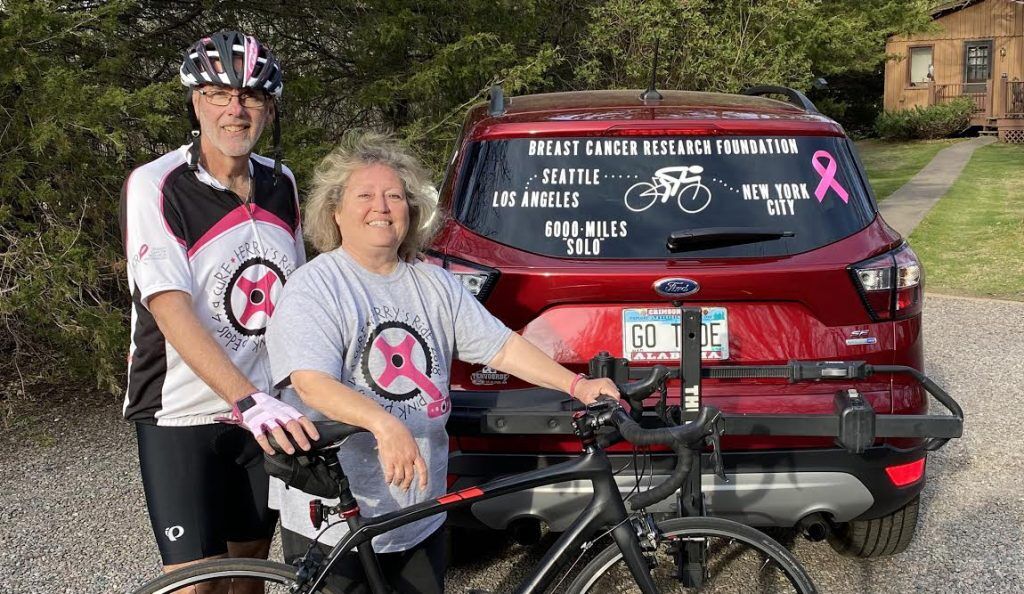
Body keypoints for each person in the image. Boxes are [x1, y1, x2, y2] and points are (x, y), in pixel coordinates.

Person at [264, 131, 619, 593]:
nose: (382, 206)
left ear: (411, 211)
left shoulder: (433, 284)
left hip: (419, 513)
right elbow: (312, 383)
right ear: (335, 211)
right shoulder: (315, 287)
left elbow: (501, 347)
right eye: (365, 195)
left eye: (394, 195)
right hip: (336, 517)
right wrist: (385, 425)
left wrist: (578, 386)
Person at [120, 31, 318, 592]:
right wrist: (245, 397)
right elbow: (168, 306)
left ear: (269, 107)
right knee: (196, 584)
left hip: (265, 411)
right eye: (218, 94)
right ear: (194, 102)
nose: (235, 109)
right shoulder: (157, 184)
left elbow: (297, 295)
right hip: (181, 414)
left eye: (250, 96)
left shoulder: (283, 184)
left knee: (251, 570)